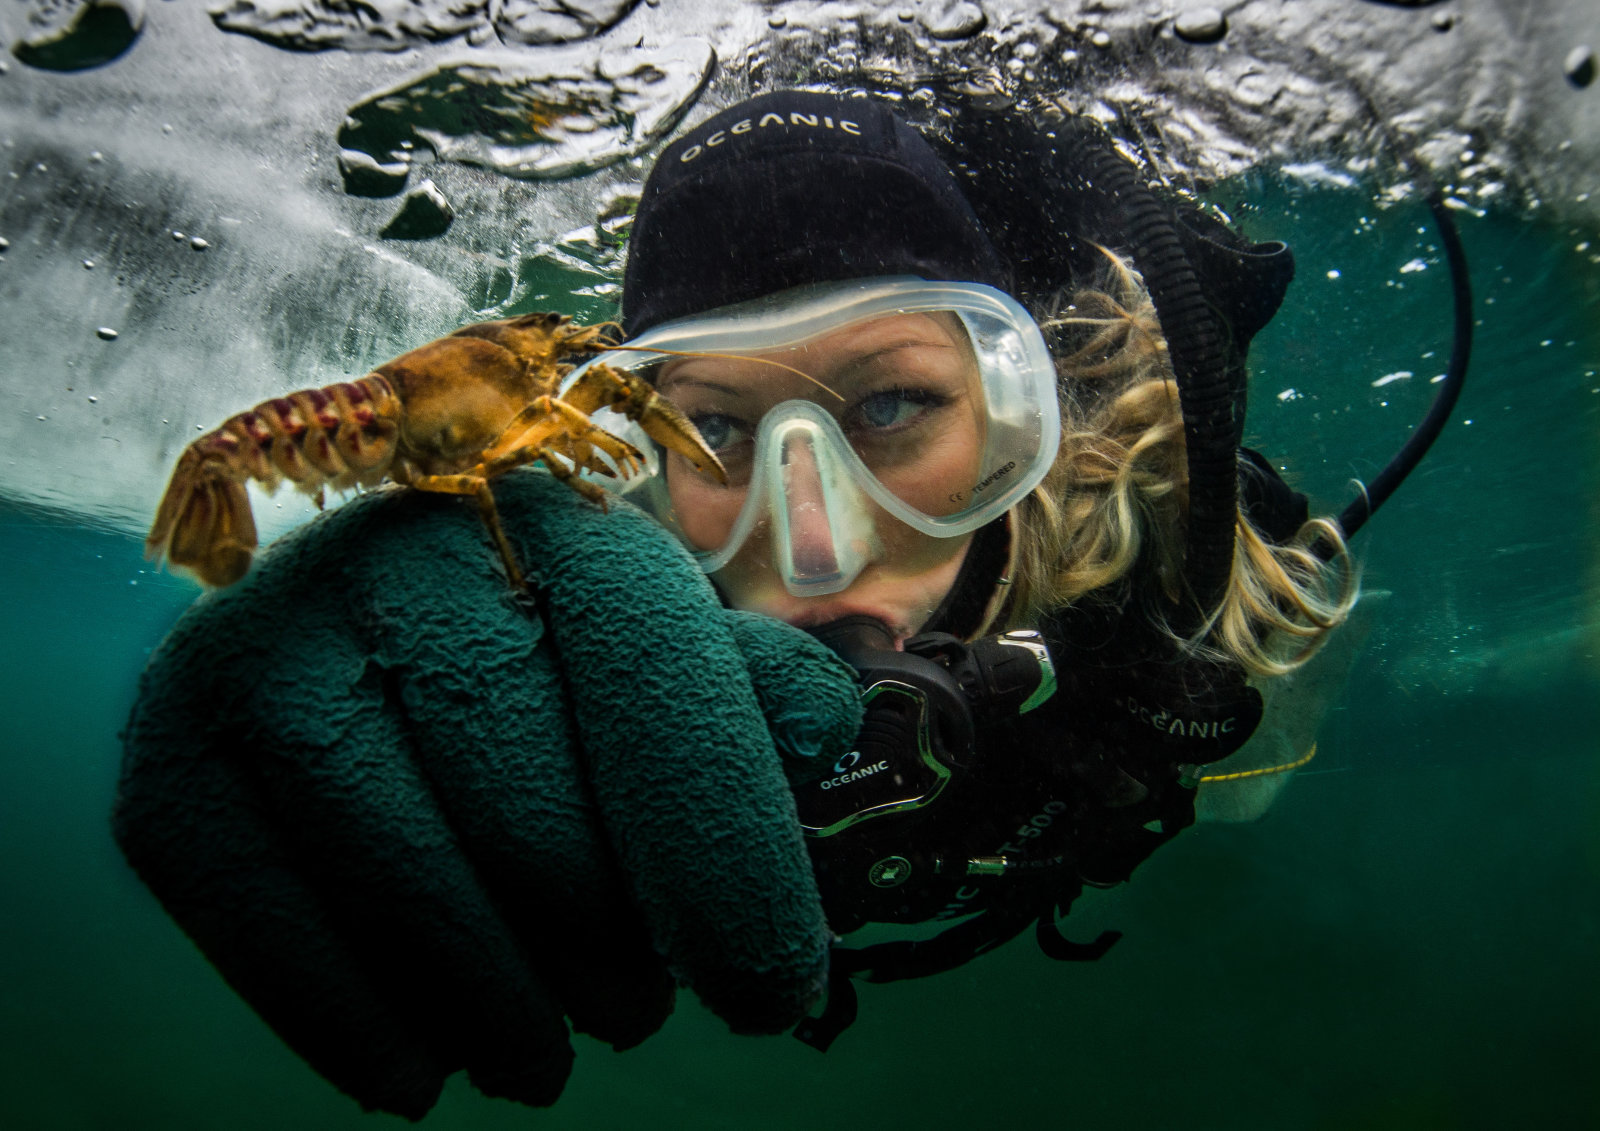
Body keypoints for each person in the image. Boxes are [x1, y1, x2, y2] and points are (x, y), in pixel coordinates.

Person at [115, 89, 1361, 1117]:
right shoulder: (593, 596)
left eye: (893, 406)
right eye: (713, 429)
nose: (812, 544)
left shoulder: (1178, 563)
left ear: (1015, 416)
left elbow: (1263, 761)